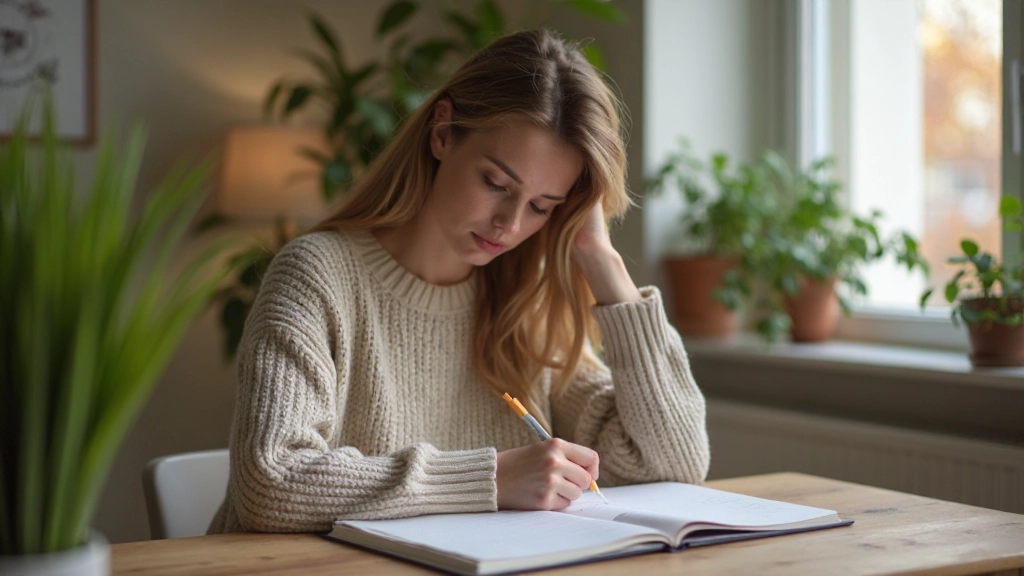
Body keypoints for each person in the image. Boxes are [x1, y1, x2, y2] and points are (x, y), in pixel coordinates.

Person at [208, 28, 709, 535]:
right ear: (443, 132)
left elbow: (674, 462)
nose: (509, 225)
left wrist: (601, 259)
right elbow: (269, 483)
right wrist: (490, 478)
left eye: (541, 206)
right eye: (496, 184)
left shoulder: (524, 300)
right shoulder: (316, 274)